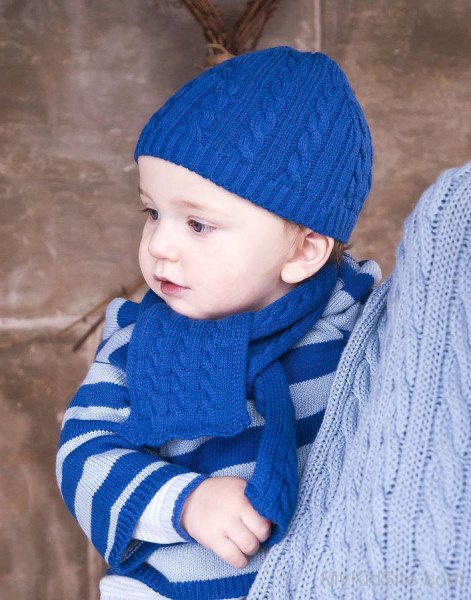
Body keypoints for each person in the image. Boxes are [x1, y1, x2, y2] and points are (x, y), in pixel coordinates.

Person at [56, 46, 381, 600]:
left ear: (304, 251)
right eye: (152, 213)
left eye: (199, 225)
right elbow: (84, 453)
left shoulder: (366, 326)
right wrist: (184, 502)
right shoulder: (139, 341)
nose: (159, 245)